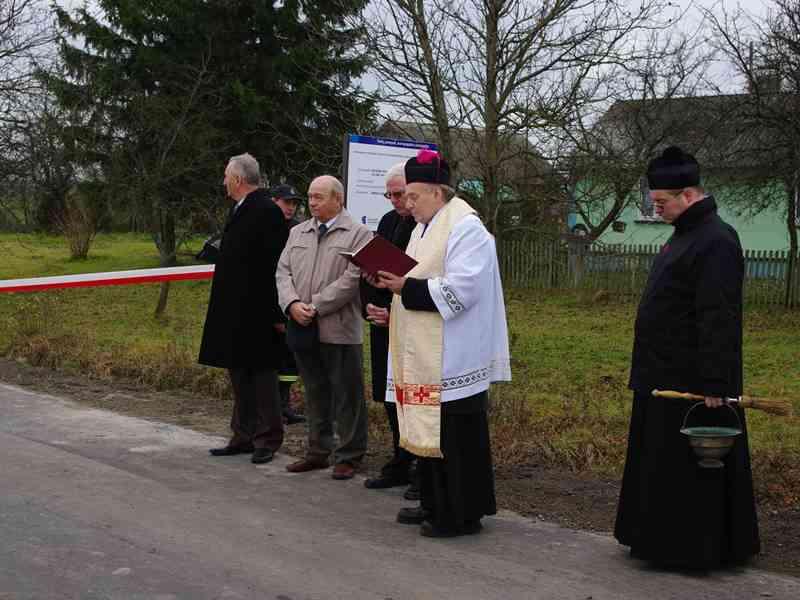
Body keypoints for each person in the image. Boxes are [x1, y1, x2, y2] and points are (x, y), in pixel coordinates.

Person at [614, 146, 760, 569]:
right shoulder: (685, 234)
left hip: (692, 379)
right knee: (658, 463)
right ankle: (655, 539)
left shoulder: (716, 239)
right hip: (661, 375)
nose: (656, 211)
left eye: (661, 203)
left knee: (690, 468)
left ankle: (691, 549)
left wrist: (717, 384)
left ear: (689, 194)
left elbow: (720, 316)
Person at [375, 150, 511, 537]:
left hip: (455, 353)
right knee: (432, 434)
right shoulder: (423, 227)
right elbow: (413, 275)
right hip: (427, 350)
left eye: (414, 195)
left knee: (455, 436)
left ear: (438, 191)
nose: (408, 203)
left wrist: (407, 288)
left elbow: (463, 288)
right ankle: (435, 501)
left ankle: (460, 513)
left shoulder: (467, 227)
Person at [276, 175, 373, 480]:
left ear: (338, 199)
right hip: (303, 326)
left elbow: (352, 279)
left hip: (339, 328)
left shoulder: (358, 234)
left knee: (347, 394)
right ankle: (317, 451)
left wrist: (316, 305)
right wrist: (291, 304)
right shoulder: (298, 232)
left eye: (319, 197)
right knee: (315, 392)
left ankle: (349, 455)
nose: (312, 203)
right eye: (310, 197)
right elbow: (283, 271)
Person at [198, 153, 288, 465]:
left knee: (262, 377)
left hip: (258, 312)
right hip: (234, 311)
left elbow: (274, 265)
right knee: (240, 375)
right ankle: (243, 435)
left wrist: (277, 313)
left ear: (238, 179)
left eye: (226, 176)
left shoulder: (266, 211)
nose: (223, 181)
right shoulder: (240, 209)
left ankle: (267, 438)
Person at [360, 163, 419, 498]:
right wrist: (370, 302)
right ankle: (399, 458)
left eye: (400, 194)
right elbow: (376, 267)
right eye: (390, 194)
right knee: (388, 397)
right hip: (382, 320)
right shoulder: (387, 221)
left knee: (413, 397)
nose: (395, 201)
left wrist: (393, 310)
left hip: (408, 321)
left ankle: (419, 465)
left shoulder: (424, 226)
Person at [268, 184, 306, 425]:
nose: (291, 207)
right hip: (270, 305)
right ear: (274, 201)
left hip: (293, 303)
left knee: (290, 360)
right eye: (286, 202)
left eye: (294, 203)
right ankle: (271, 408)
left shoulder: (297, 230)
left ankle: (284, 405)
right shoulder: (266, 228)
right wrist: (275, 313)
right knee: (271, 360)